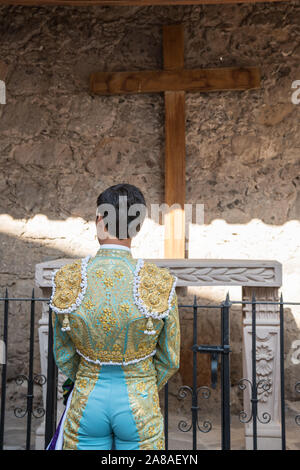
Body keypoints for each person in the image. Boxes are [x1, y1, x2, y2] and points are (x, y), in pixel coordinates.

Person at [47, 183, 180, 450]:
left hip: (88, 398)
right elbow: (170, 358)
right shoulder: (159, 282)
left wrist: (86, 373)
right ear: (138, 226)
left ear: (99, 220)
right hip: (139, 399)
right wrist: (141, 384)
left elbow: (62, 352)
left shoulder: (67, 278)